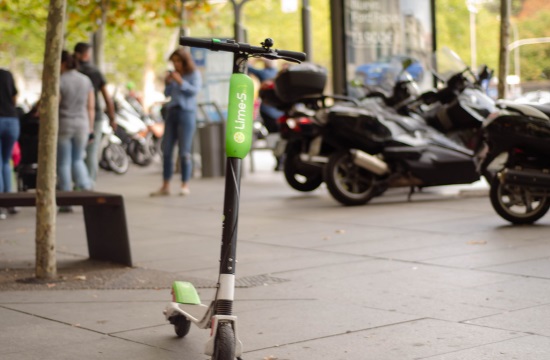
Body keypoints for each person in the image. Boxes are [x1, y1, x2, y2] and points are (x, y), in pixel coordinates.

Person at [150, 48, 201, 197]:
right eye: (174, 62)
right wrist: (168, 83)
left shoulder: (193, 74)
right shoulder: (174, 74)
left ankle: (185, 184)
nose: (176, 64)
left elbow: (194, 92)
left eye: (178, 61)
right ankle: (165, 185)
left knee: (184, 152)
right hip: (172, 112)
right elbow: (167, 94)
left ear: (184, 61)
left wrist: (181, 82)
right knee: (167, 150)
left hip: (187, 113)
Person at [73, 42, 116, 186]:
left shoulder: (70, 71)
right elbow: (107, 98)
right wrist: (112, 117)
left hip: (73, 117)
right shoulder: (94, 72)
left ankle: (76, 185)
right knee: (91, 153)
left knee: (73, 156)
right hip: (94, 117)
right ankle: (89, 185)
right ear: (86, 54)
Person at [57, 50, 95, 212]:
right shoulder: (85, 80)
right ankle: (86, 187)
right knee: (78, 159)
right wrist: (90, 128)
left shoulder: (59, 81)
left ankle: (66, 200)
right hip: (82, 124)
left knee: (64, 162)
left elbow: (55, 104)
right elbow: (91, 107)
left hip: (64, 124)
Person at [0, 68, 20, 220]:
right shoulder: (7, 74)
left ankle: (1, 203)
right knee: (6, 161)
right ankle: (10, 201)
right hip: (12, 120)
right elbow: (14, 97)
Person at [248, 58, 284, 133]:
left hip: (267, 109)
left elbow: (247, 66)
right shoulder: (278, 73)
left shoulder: (264, 73)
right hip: (279, 111)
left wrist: (257, 59)